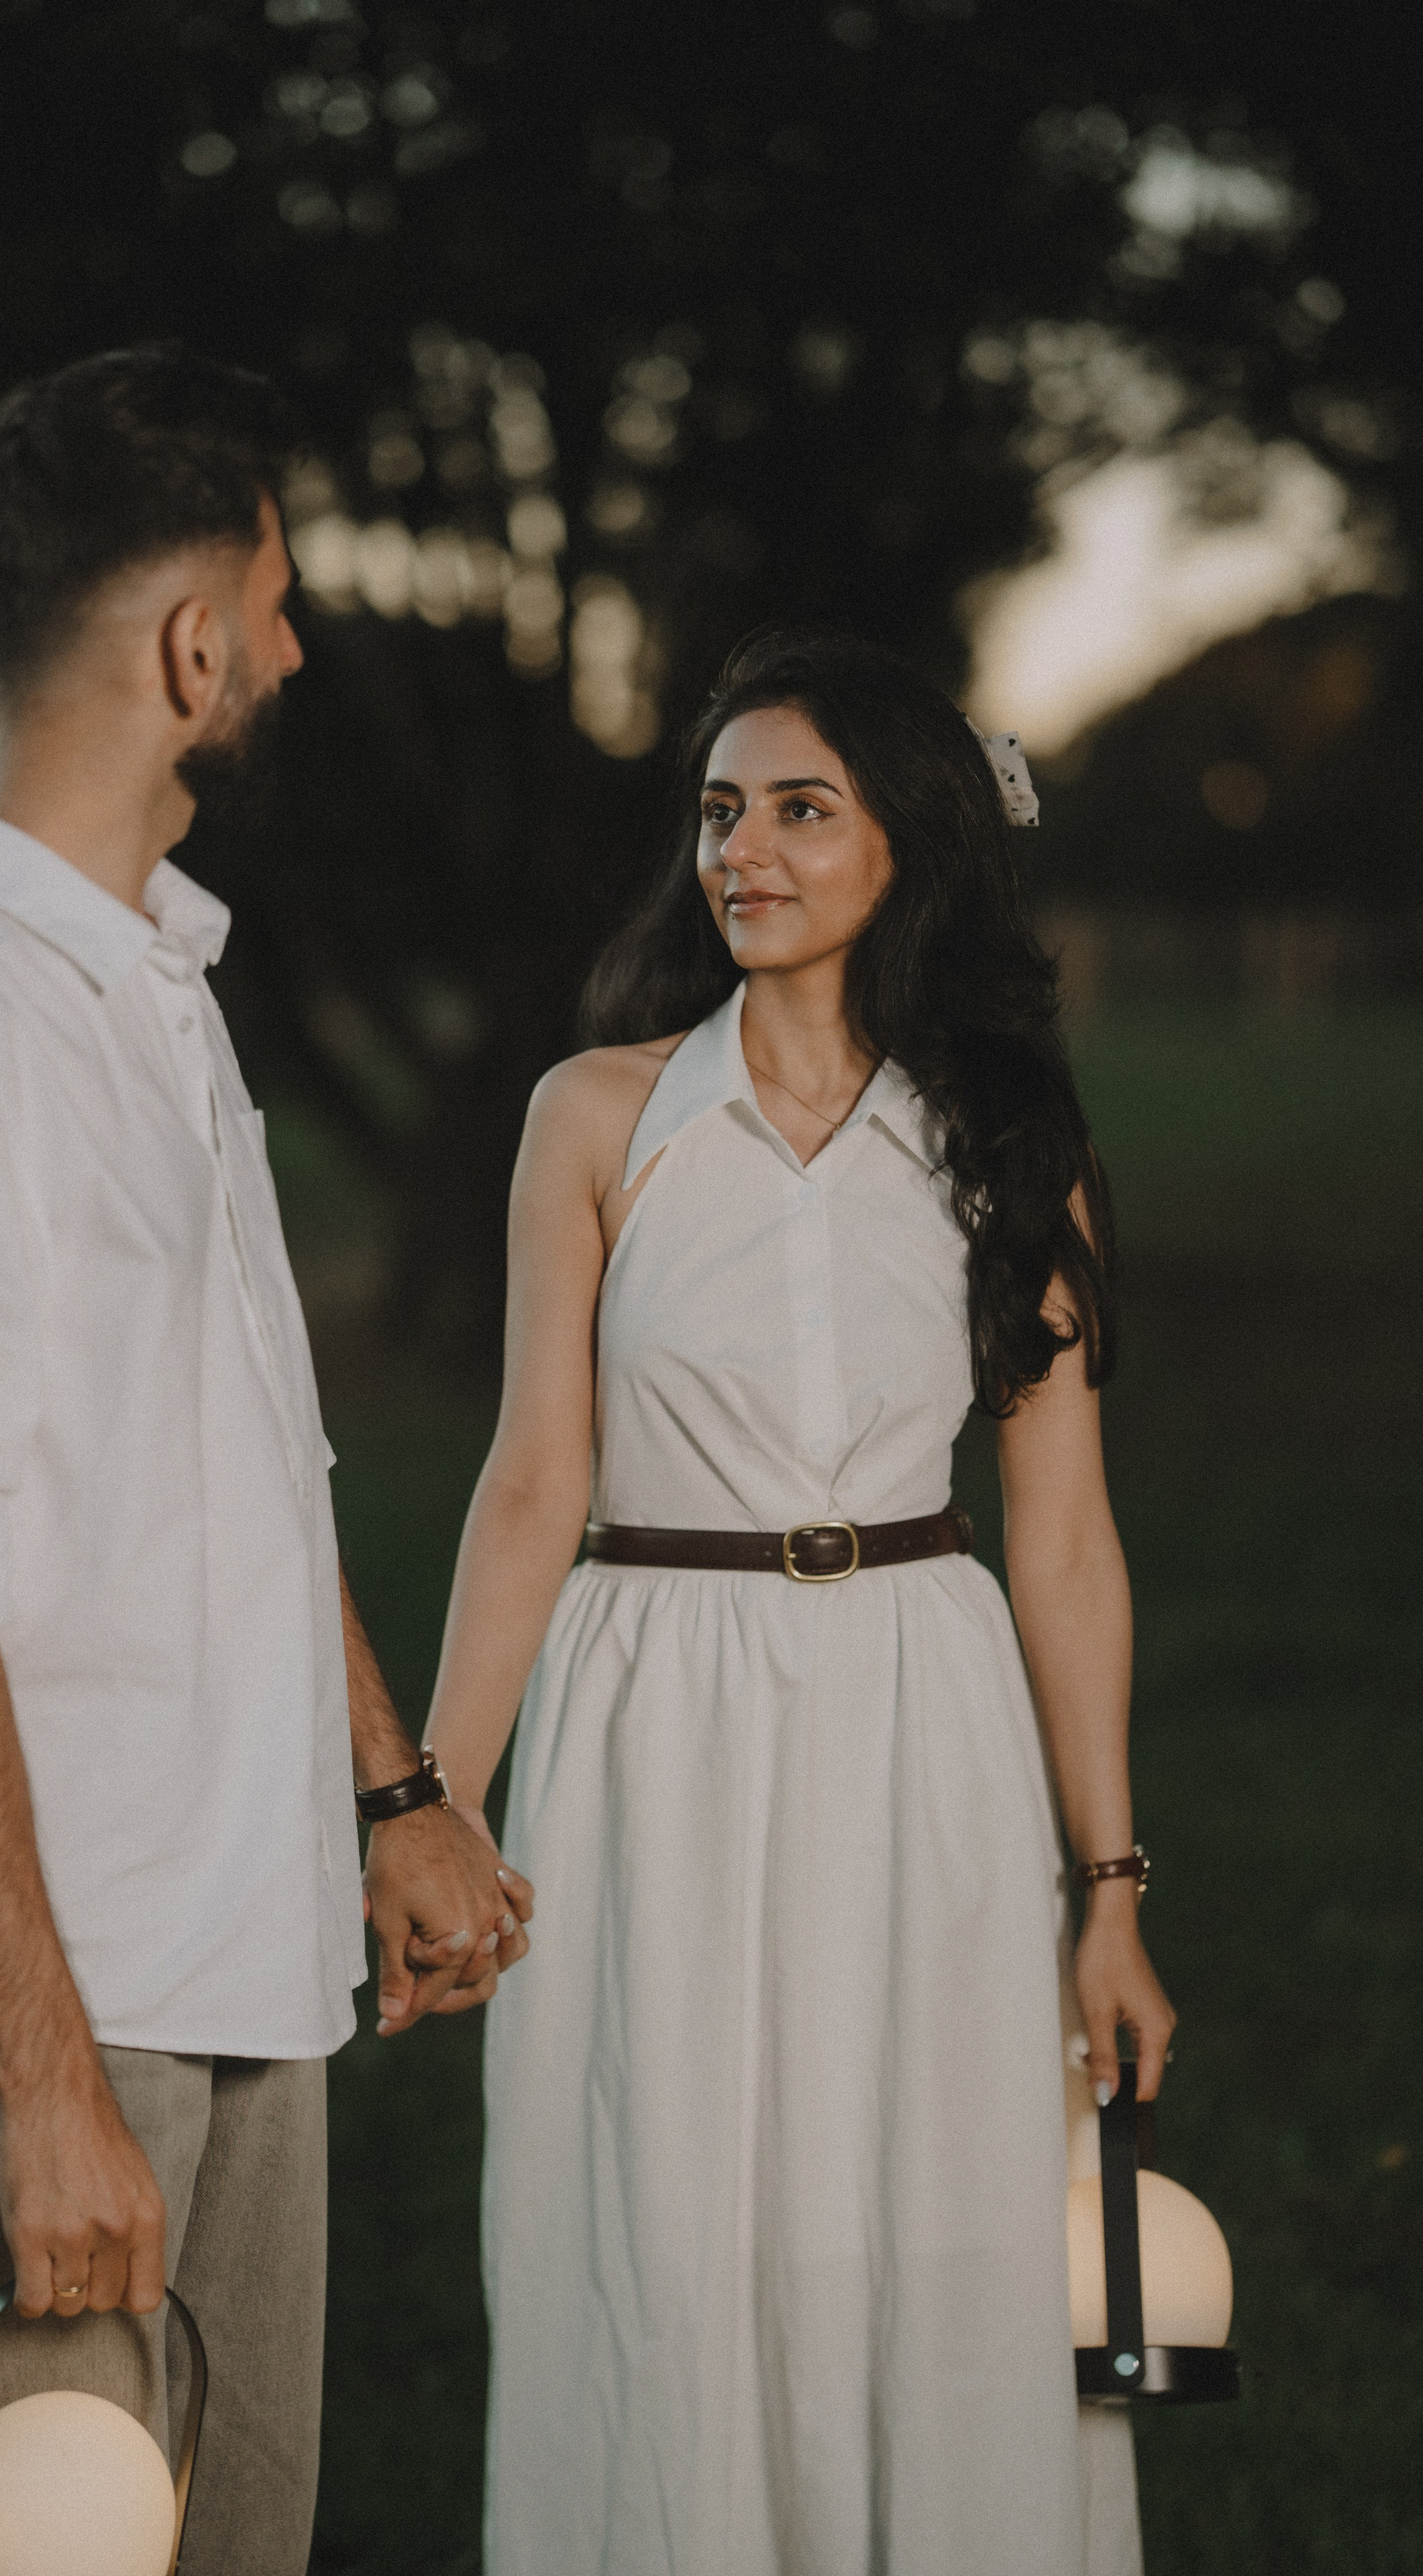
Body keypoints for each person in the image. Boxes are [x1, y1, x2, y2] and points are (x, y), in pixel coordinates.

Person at [0, 344, 530, 2576]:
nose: (290, 647)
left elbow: (253, 1461)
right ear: (192, 646)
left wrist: (386, 1792)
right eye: (274, 605)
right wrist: (51, 2092)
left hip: (242, 1949)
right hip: (57, 2015)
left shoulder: (152, 981)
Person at [424, 628, 1174, 2576]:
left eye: (798, 810)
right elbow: (531, 1482)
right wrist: (432, 1799)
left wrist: (1111, 1894)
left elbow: (1067, 1541)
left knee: (924, 2218)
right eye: (720, 811)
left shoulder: (1013, 1148)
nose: (741, 851)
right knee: (656, 2232)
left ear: (907, 849)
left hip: (918, 1720)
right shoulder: (599, 1118)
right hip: (650, 1712)